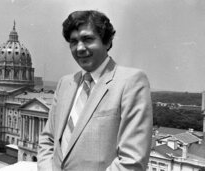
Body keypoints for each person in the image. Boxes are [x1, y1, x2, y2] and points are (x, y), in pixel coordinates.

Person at [37, 10, 153, 171]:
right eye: (73, 41)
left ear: (106, 42)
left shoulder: (131, 82)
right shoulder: (65, 83)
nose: (80, 48)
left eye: (87, 39)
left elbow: (132, 160)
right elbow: (48, 140)